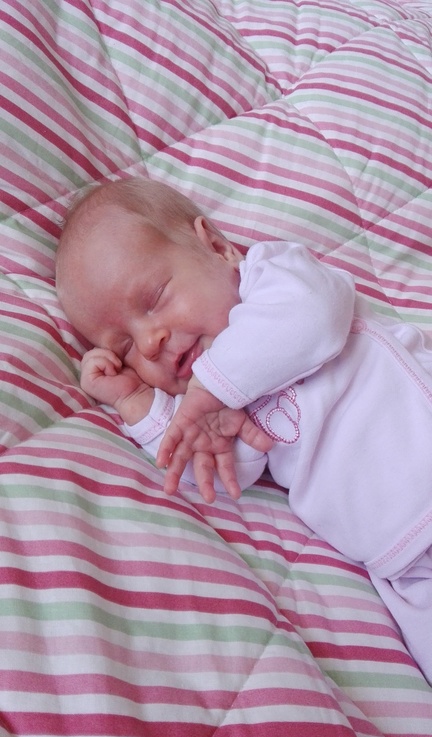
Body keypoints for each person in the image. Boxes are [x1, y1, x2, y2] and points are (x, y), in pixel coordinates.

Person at [56, 176, 432, 685]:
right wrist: (135, 400)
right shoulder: (213, 405)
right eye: (124, 346)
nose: (148, 342)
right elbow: (208, 467)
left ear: (216, 247)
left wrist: (210, 389)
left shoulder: (274, 278)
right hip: (402, 563)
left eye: (155, 298)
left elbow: (315, 316)